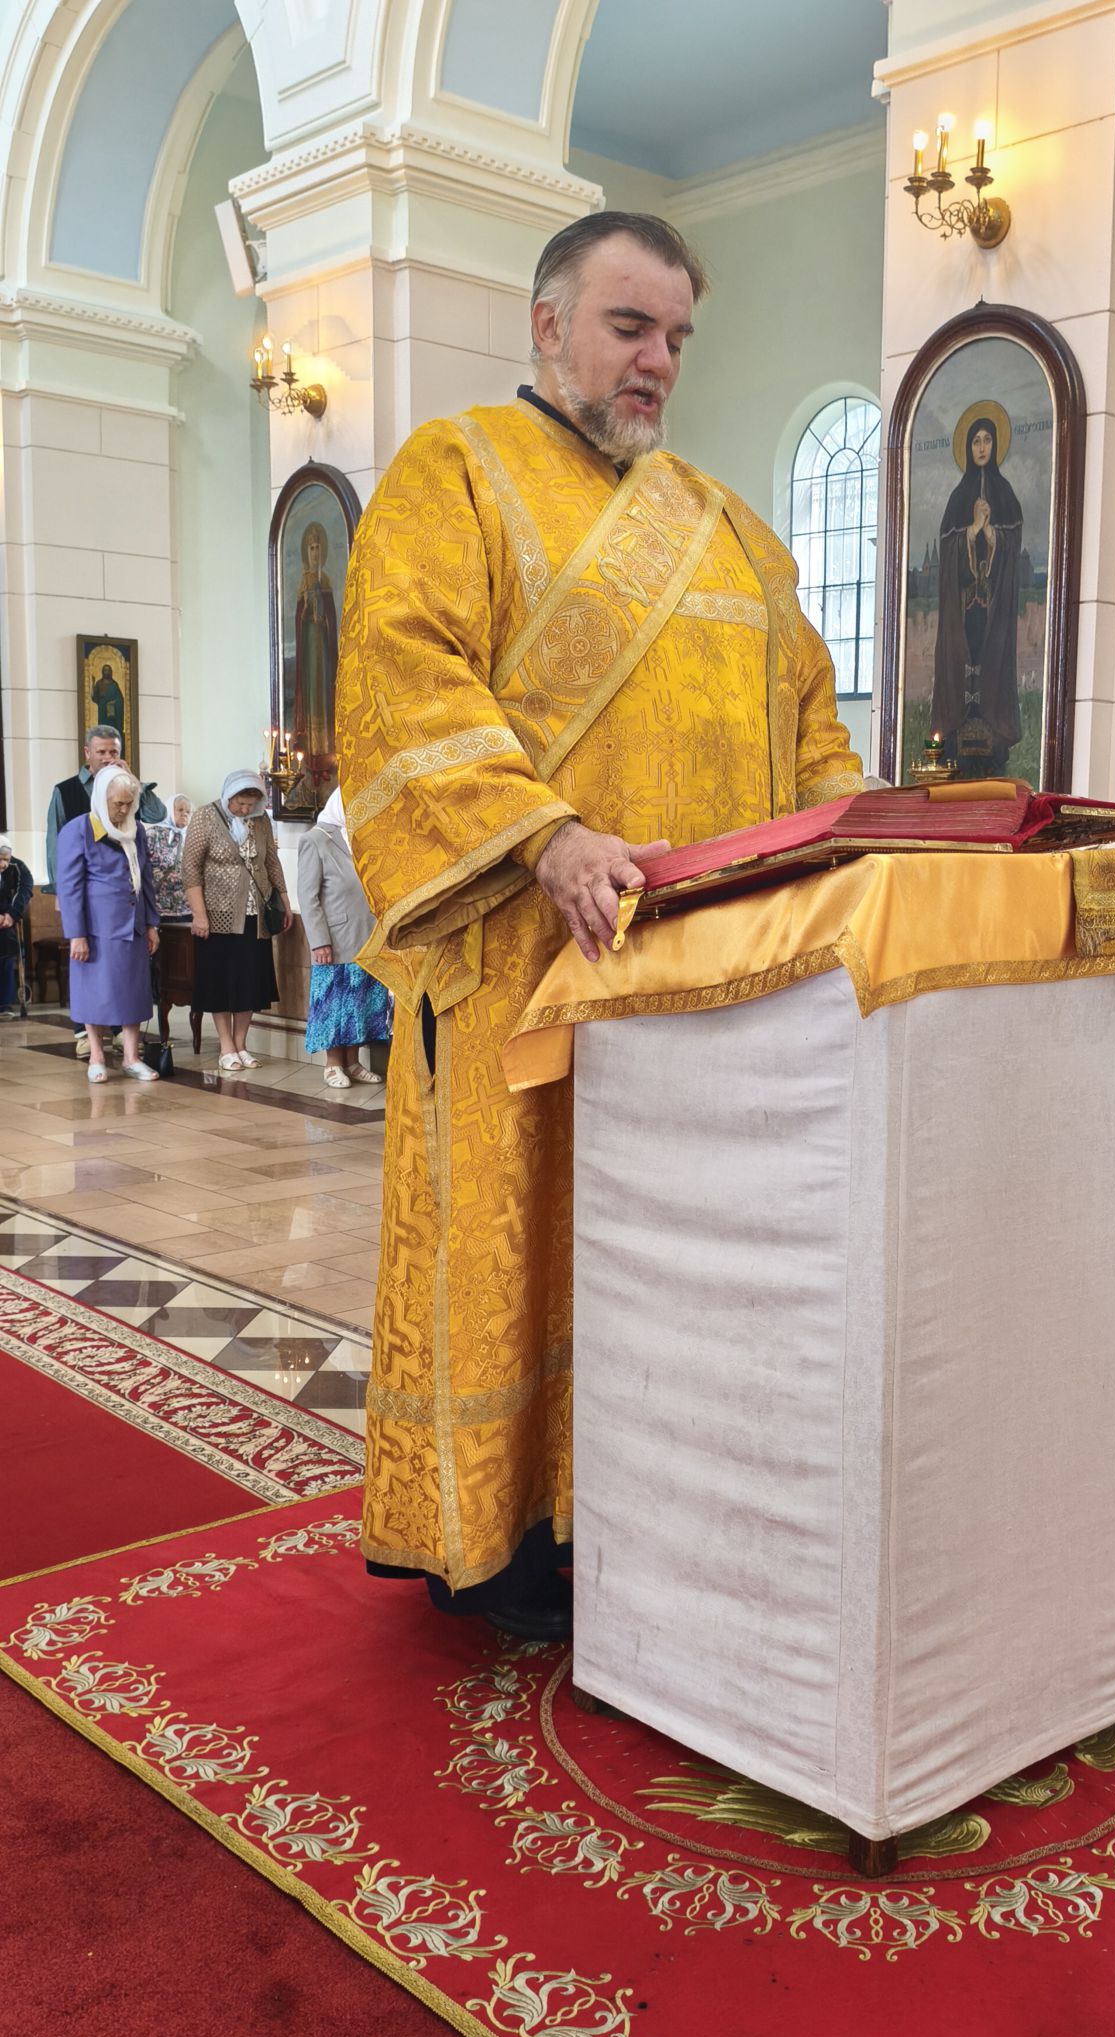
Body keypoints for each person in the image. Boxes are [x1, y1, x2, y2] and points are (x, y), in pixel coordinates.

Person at [336, 210, 864, 1638]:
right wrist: (548, 835)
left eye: (678, 336)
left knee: (673, 1262)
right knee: (521, 1250)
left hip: (705, 993)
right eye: (631, 326)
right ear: (548, 323)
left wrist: (880, 847)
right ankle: (503, 1535)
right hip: (520, 968)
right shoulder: (455, 473)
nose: (658, 361)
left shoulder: (732, 528)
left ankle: (654, 1517)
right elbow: (401, 681)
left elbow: (815, 738)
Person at [931, 410, 1028, 776]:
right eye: (976, 441)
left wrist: (991, 534)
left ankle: (993, 738)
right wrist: (971, 531)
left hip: (993, 610)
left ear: (996, 444)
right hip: (964, 609)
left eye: (987, 440)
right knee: (962, 663)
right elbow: (947, 548)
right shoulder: (958, 497)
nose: (982, 447)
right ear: (968, 447)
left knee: (991, 664)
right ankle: (957, 737)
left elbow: (1013, 544)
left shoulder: (1005, 494)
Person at [55, 766, 161, 1083]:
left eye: (129, 803)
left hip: (134, 925)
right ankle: (97, 1057)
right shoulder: (78, 830)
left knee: (134, 992)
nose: (124, 810)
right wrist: (76, 935)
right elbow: (70, 887)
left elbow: (146, 878)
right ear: (102, 799)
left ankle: (131, 1057)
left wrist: (152, 923)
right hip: (96, 930)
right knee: (95, 993)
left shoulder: (136, 829)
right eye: (118, 804)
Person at [182, 771, 292, 1072]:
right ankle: (226, 1046)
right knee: (220, 981)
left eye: (250, 804)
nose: (245, 809)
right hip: (217, 915)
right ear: (228, 796)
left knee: (249, 981)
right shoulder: (206, 817)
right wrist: (199, 914)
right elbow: (190, 868)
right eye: (240, 803)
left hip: (256, 915)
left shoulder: (261, 820)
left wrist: (284, 900)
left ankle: (241, 1045)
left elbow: (271, 861)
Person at [296, 790, 390, 1088]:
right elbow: (308, 897)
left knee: (359, 1003)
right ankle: (333, 1064)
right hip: (335, 939)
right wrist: (319, 941)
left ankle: (352, 1062)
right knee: (334, 1003)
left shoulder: (362, 838)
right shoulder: (315, 839)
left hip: (367, 935)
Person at [46, 723, 123, 1056]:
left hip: (116, 893)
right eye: (101, 751)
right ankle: (83, 1031)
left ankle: (118, 1027)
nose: (107, 757)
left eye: (113, 752)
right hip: (79, 888)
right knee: (83, 957)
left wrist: (130, 777)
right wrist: (59, 891)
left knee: (117, 961)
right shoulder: (65, 791)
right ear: (87, 753)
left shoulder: (126, 786)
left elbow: (156, 813)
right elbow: (55, 844)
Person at [295, 521, 339, 763]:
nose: (314, 553)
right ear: (306, 551)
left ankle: (327, 749)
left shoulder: (327, 581)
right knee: (312, 695)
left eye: (317, 548)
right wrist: (306, 614)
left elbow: (331, 616)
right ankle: (311, 747)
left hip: (322, 647)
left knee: (323, 692)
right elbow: (299, 619)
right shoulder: (304, 582)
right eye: (311, 548)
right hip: (310, 649)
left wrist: (325, 621)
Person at [145, 792, 192, 923]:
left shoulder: (191, 836)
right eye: (180, 810)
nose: (185, 814)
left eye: (188, 811)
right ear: (169, 810)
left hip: (185, 908)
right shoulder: (153, 833)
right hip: (158, 906)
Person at [0, 838, 34, 1018]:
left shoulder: (18, 867)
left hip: (6, 920)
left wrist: (11, 915)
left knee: (7, 951)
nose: (3, 864)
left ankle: (5, 1003)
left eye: (6, 859)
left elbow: (25, 889)